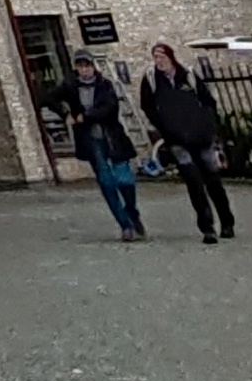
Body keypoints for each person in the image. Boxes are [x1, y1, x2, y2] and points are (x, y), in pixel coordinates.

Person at [139, 42, 238, 244]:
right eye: (155, 57)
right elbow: (147, 106)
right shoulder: (151, 80)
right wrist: (164, 126)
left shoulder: (188, 75)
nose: (159, 61)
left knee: (213, 180)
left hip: (201, 136)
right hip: (176, 138)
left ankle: (227, 221)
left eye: (162, 57)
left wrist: (206, 124)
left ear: (170, 57)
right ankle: (207, 227)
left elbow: (208, 101)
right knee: (193, 182)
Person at [70, 54, 146, 240]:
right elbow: (49, 98)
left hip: (113, 138)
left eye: (87, 65)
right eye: (81, 66)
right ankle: (125, 225)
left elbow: (110, 109)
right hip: (92, 141)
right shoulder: (71, 88)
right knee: (107, 183)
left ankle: (131, 211)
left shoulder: (105, 85)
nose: (85, 70)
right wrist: (66, 113)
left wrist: (86, 116)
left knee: (125, 181)